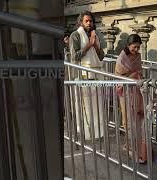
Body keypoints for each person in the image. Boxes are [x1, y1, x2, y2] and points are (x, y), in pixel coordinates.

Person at [69, 10, 105, 141]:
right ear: (81, 22)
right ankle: (86, 134)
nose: (89, 23)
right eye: (86, 21)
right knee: (86, 108)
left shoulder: (95, 35)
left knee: (98, 106)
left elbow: (101, 56)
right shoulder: (75, 35)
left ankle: (97, 134)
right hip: (83, 76)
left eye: (91, 21)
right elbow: (74, 56)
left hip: (96, 75)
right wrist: (89, 44)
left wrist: (95, 45)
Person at [115, 34, 146, 163]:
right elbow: (119, 74)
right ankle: (130, 146)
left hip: (136, 90)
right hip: (125, 89)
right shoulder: (122, 56)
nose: (136, 50)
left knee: (137, 118)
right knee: (127, 119)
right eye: (134, 47)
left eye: (138, 47)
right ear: (128, 45)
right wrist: (132, 75)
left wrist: (136, 75)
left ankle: (134, 145)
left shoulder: (138, 56)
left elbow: (138, 70)